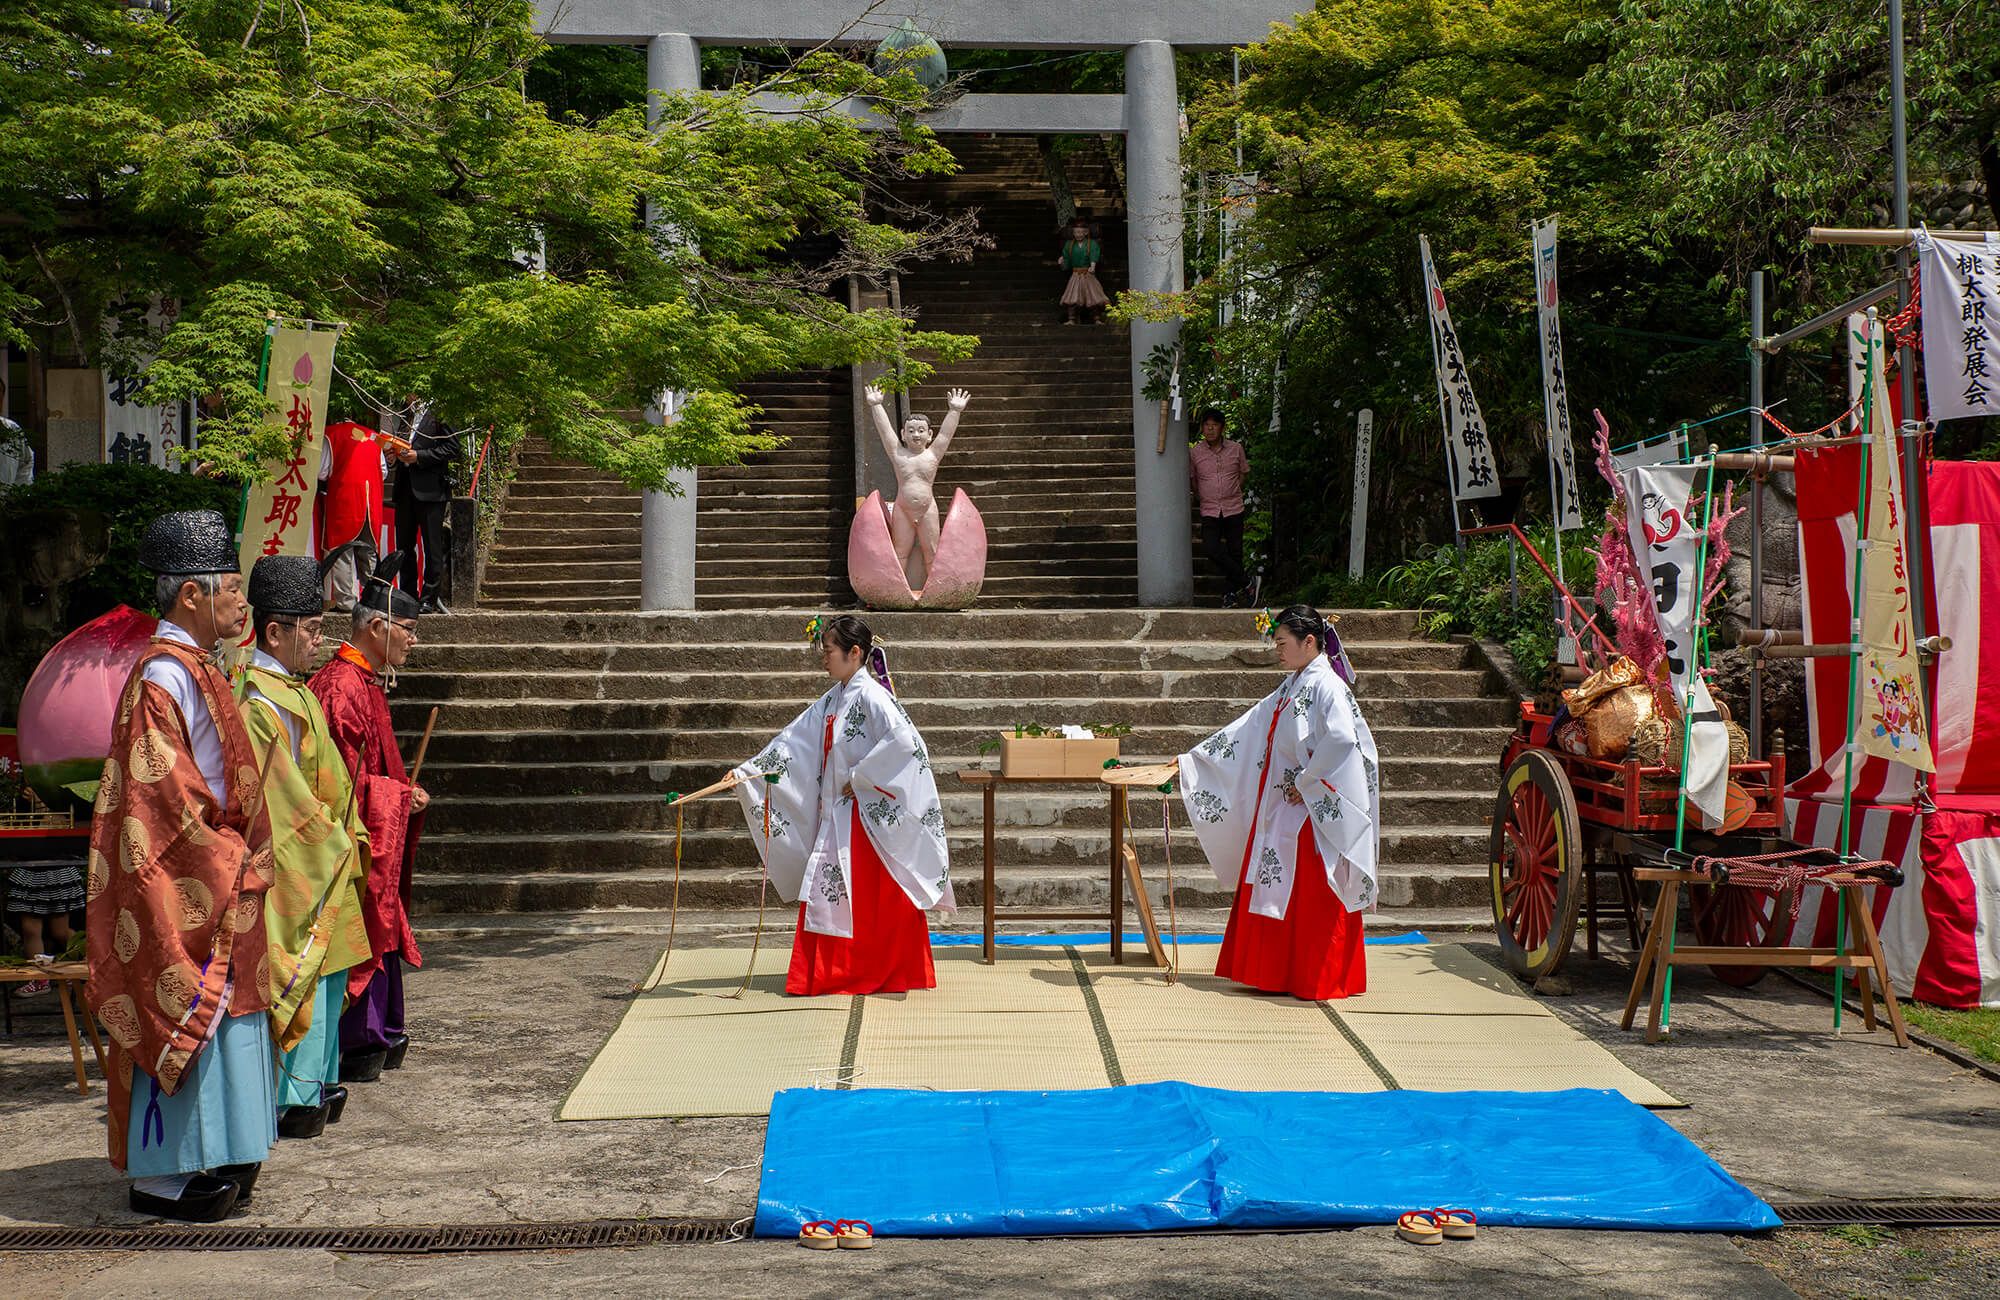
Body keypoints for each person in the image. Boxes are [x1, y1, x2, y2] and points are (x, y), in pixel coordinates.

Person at [84, 509, 276, 1222]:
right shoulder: (164, 675)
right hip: (188, 870)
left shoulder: (195, 668)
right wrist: (230, 857)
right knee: (184, 1007)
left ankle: (223, 1150)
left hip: (221, 863)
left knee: (225, 1021)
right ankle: (163, 1175)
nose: (240, 599)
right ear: (190, 595)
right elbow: (159, 800)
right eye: (229, 584)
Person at [733, 615, 954, 996]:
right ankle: (847, 973)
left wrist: (860, 777)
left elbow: (908, 744)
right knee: (838, 893)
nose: (824, 658)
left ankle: (861, 973)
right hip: (837, 812)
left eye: (830, 651)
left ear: (855, 653)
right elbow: (794, 743)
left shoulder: (872, 695)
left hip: (862, 817)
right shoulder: (834, 697)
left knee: (859, 896)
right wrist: (748, 772)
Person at [1176, 606, 1379, 1000]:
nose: (1277, 651)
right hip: (1291, 804)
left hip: (1311, 810)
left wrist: (1306, 780)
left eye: (1283, 643)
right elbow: (1252, 723)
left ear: (1308, 642)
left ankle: (1312, 976)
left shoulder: (1327, 685)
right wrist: (1192, 759)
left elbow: (1340, 739)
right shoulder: (1296, 683)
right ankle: (1284, 974)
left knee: (1313, 895)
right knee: (1289, 888)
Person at [236, 555, 372, 1140]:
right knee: (300, 975)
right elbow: (279, 801)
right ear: (275, 632)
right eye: (312, 630)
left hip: (324, 854)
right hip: (300, 861)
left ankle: (315, 1082)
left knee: (328, 972)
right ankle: (292, 1094)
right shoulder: (258, 702)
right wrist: (335, 839)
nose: (321, 641)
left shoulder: (296, 692)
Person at [308, 554, 426, 1082]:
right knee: (361, 925)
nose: (413, 640)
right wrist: (395, 800)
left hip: (370, 827)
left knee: (381, 917)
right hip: (347, 838)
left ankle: (379, 1031)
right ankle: (358, 1039)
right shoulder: (339, 687)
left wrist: (401, 794)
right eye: (408, 629)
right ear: (377, 627)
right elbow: (334, 783)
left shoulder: (365, 681)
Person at [862, 385, 970, 591]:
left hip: (927, 507)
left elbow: (946, 435)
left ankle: (936, 589)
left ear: (930, 435)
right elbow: (885, 432)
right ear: (903, 434)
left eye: (921, 431)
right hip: (903, 508)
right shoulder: (898, 455)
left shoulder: (932, 455)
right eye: (911, 431)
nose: (916, 435)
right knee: (900, 551)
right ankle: (895, 590)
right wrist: (876, 405)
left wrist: (954, 411)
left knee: (932, 551)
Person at [390, 401, 462, 615]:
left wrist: (419, 457)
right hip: (404, 488)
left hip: (430, 488)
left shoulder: (442, 411)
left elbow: (452, 447)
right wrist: (394, 455)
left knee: (432, 546)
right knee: (404, 545)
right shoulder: (406, 415)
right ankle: (407, 595)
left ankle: (429, 597)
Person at [1189, 409, 1257, 608]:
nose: (1210, 429)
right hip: (1209, 509)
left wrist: (1232, 490)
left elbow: (1243, 475)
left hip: (1233, 506)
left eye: (1214, 425)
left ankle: (1229, 595)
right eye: (1206, 425)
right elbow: (1193, 480)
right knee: (1211, 548)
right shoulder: (1195, 453)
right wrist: (1203, 495)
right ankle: (1247, 582)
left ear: (1223, 428)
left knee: (1235, 552)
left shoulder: (1236, 449)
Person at [319, 418, 386, 613]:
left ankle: (347, 603)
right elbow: (383, 471)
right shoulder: (374, 436)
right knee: (369, 551)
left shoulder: (332, 435)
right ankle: (376, 599)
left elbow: (323, 472)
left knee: (341, 550)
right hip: (371, 499)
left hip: (344, 496)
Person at [1058, 217, 1107, 325]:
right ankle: (1071, 319)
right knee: (1072, 297)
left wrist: (1092, 265)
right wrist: (1062, 261)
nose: (1078, 234)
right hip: (1076, 274)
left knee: (1093, 297)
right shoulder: (1069, 245)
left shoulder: (1091, 243)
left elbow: (1094, 254)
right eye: (1076, 232)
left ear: (1086, 232)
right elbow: (1067, 259)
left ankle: (1097, 318)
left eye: (1080, 232)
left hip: (1087, 273)